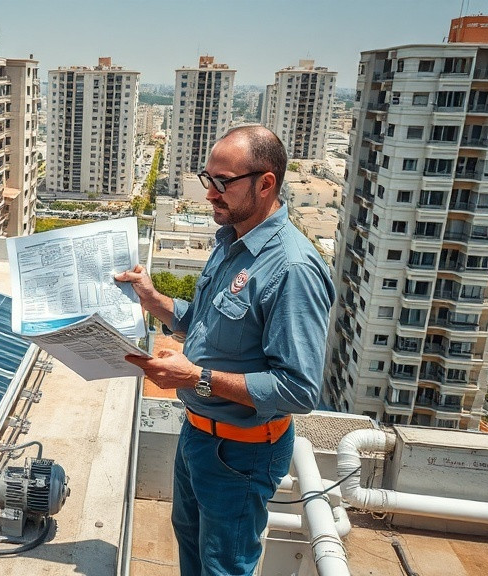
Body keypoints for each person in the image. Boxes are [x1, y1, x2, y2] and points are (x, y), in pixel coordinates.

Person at [116, 125, 334, 576]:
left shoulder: (292, 268)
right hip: (198, 435)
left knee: (224, 567)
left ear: (266, 183)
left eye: (223, 183)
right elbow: (207, 326)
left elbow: (298, 389)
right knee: (192, 547)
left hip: (242, 454)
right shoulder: (230, 240)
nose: (210, 194)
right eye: (207, 179)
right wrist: (155, 301)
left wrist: (196, 378)